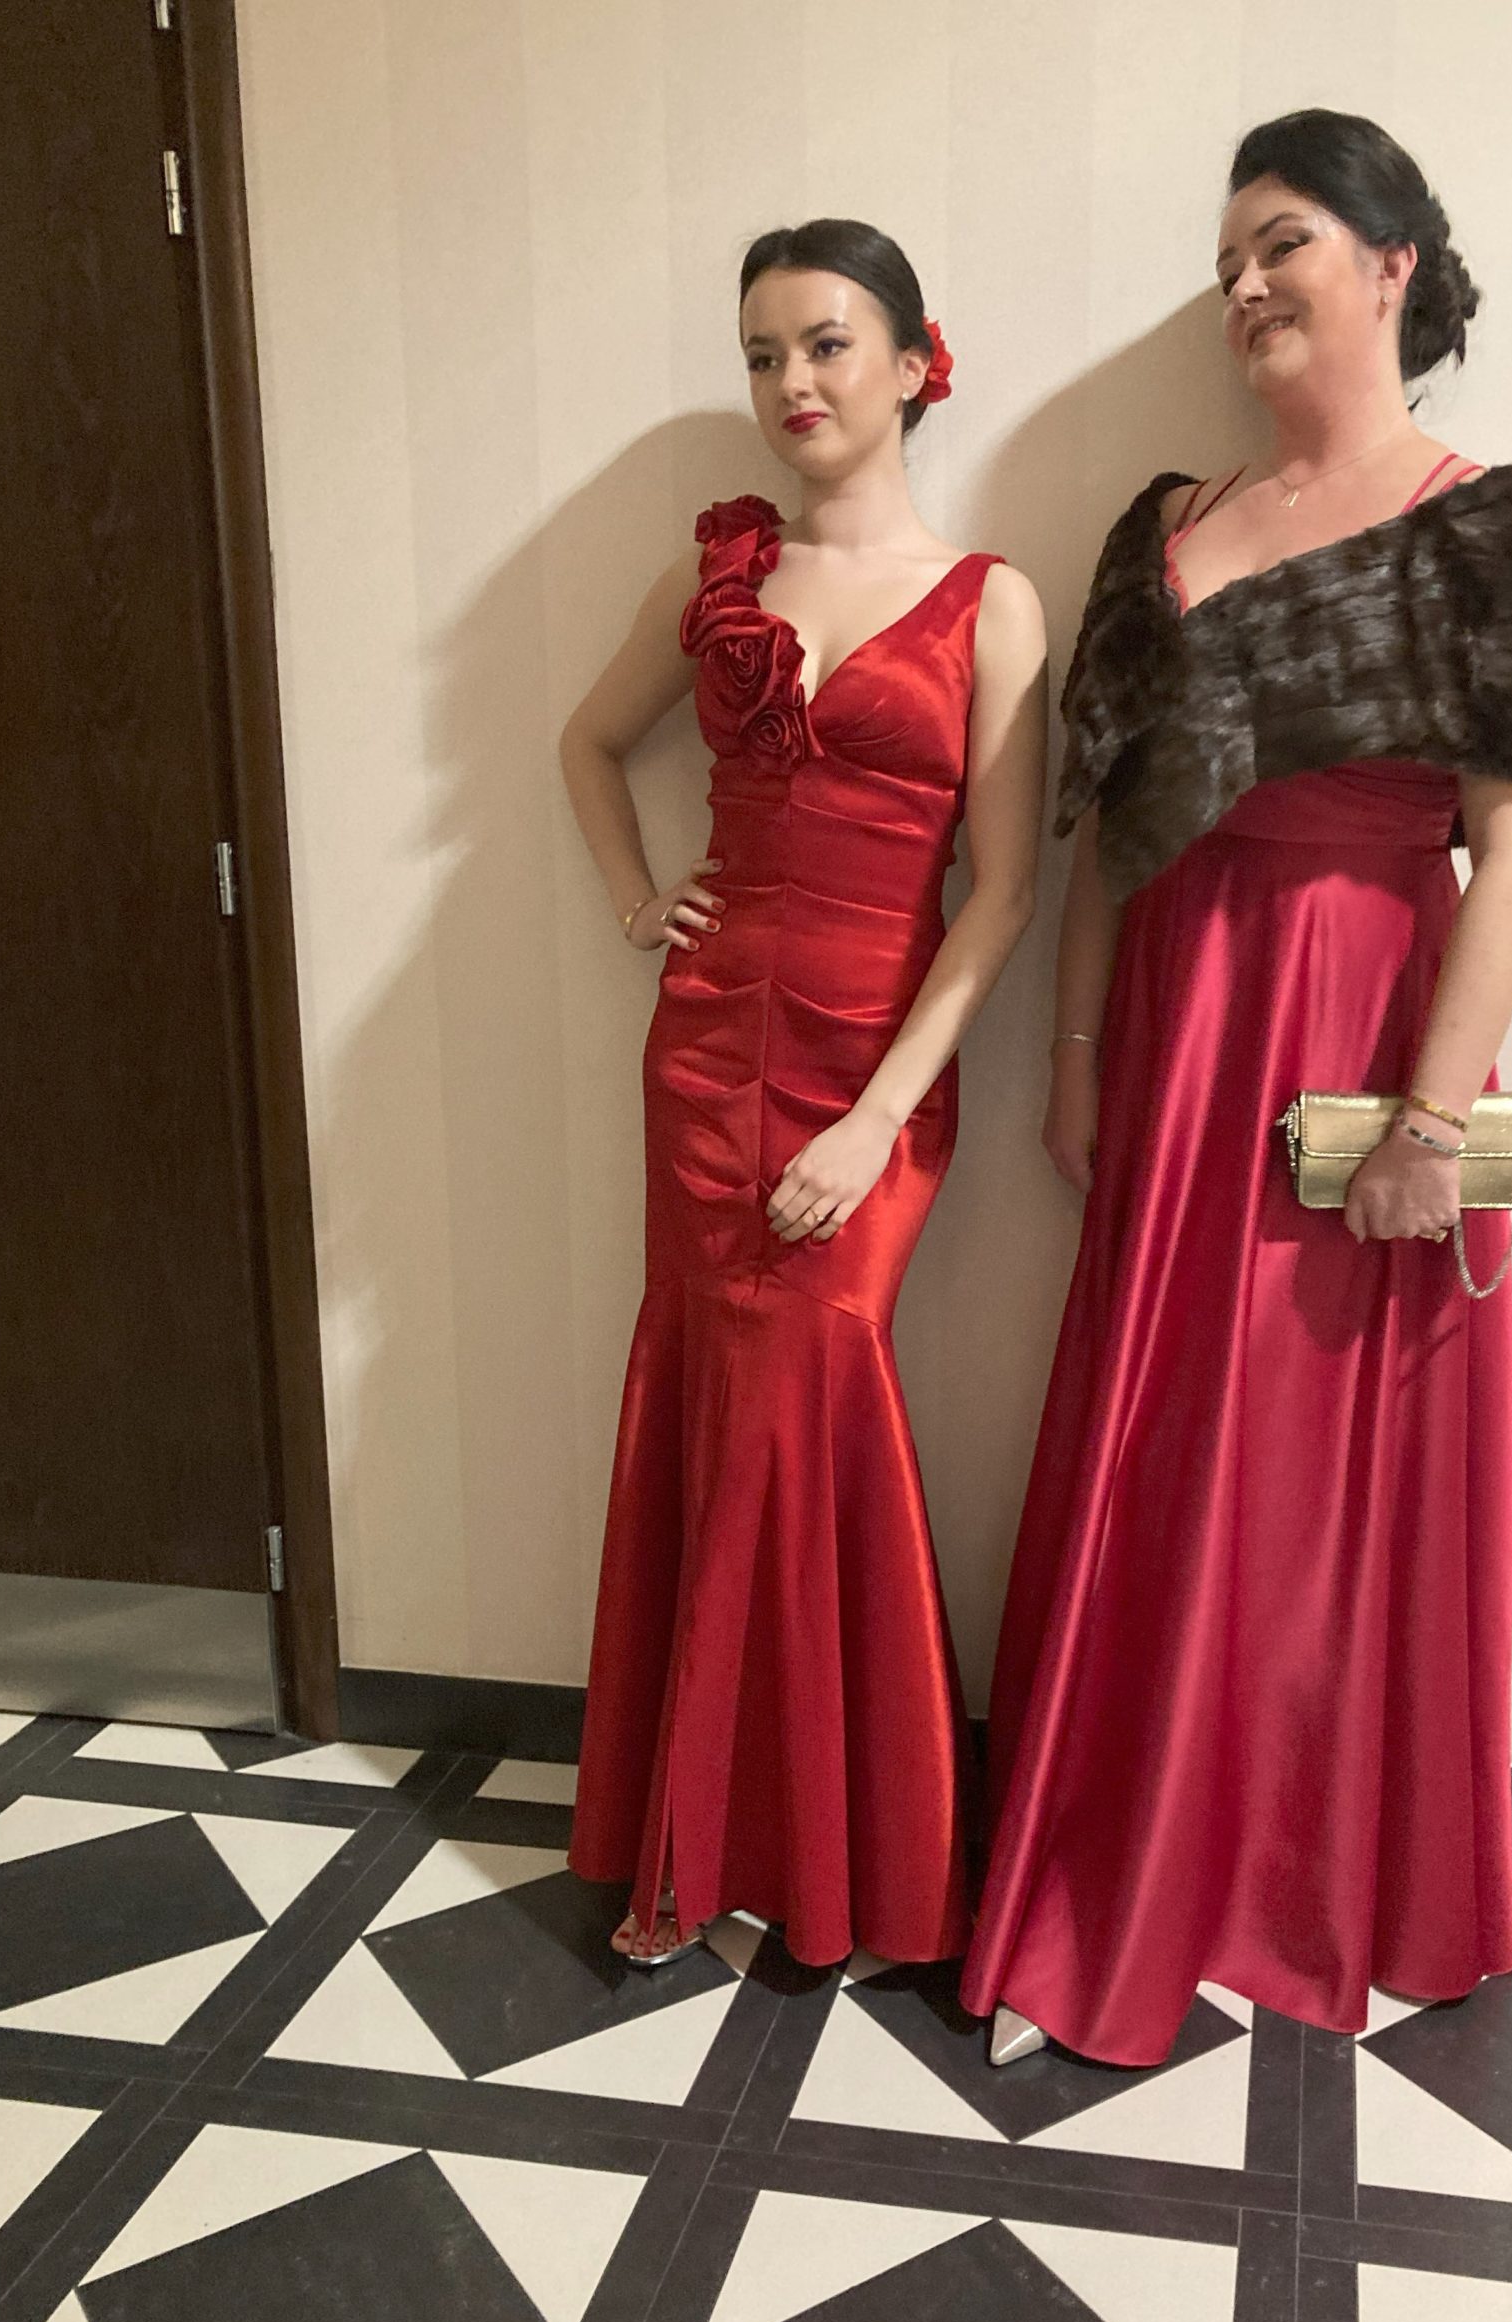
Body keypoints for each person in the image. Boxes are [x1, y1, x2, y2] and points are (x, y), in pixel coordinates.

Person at [964, 112, 1512, 2068]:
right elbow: (1103, 829)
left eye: (1285, 240)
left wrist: (1430, 1124)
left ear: (1394, 264)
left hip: (1370, 1025)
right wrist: (1076, 1054)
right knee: (1167, 1446)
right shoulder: (1161, 524)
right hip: (1183, 1024)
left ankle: (1314, 1875)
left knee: (1327, 1478)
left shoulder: (1497, 530)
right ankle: (1127, 1864)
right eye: (1228, 252)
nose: (1243, 282)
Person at [562, 220, 1047, 1968]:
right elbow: (584, 743)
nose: (791, 383)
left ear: (915, 361)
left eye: (827, 344)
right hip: (704, 1055)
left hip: (874, 1071)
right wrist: (640, 901)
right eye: (763, 354)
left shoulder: (993, 602)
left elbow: (1004, 895)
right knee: (713, 1409)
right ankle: (694, 1845)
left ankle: (856, 1851)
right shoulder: (717, 585)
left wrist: (876, 1118)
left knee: (814, 1394)